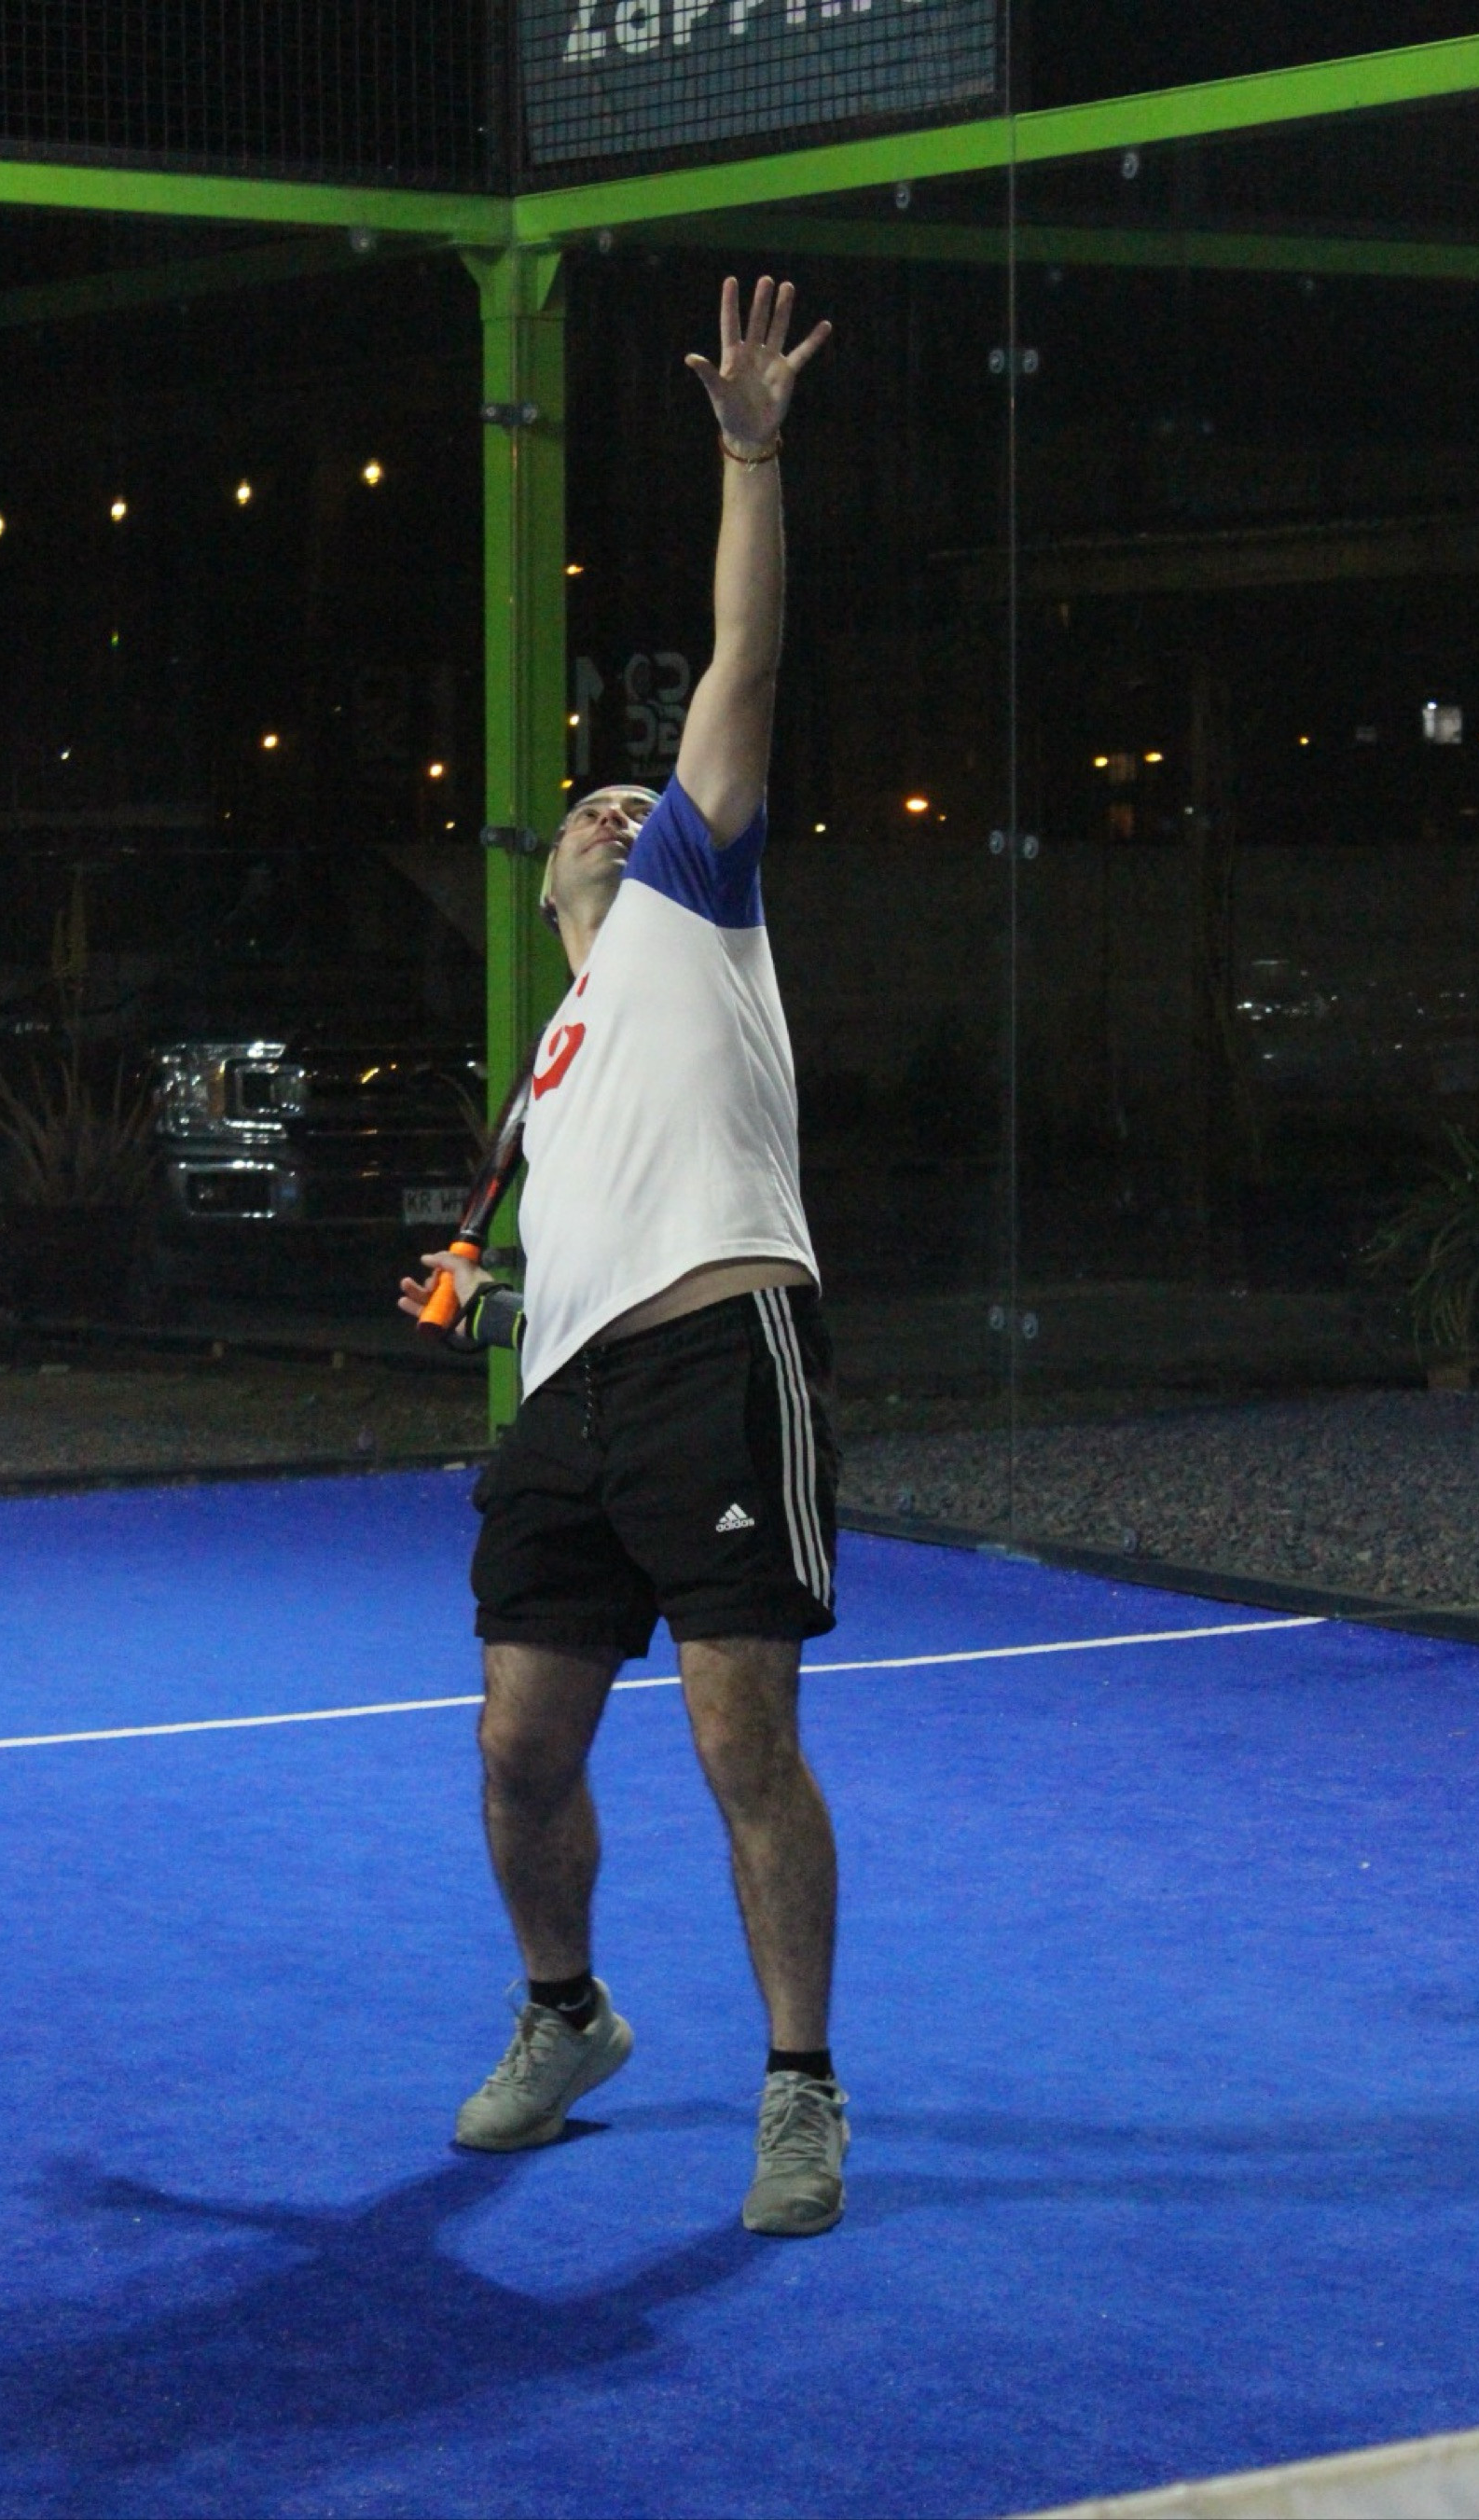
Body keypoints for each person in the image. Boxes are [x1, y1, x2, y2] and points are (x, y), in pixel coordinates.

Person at [399, 275, 846, 2238]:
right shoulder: (551, 1058)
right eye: (587, 803)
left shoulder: (695, 894)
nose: (612, 801)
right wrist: (482, 1289)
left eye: (629, 790)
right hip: (570, 1405)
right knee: (517, 1746)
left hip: (720, 1365)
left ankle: (801, 2085)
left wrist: (749, 456)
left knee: (743, 1735)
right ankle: (567, 2014)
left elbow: (744, 660)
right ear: (542, 890)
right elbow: (555, 1243)